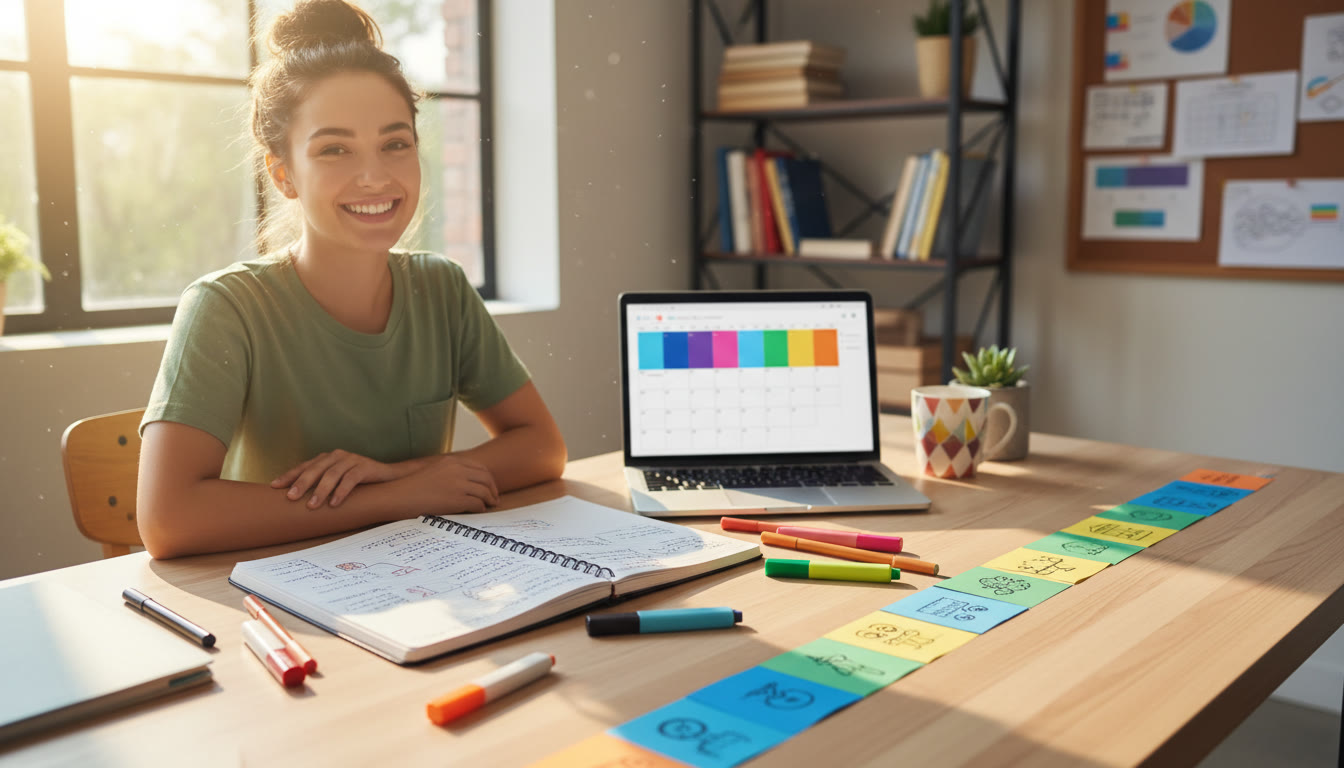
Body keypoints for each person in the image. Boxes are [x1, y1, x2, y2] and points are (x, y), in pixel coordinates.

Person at [136, 0, 566, 559]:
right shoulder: (227, 307)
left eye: (395, 144)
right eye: (334, 149)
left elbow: (542, 449)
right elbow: (169, 521)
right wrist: (398, 496)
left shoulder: (442, 289)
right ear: (284, 174)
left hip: (424, 583)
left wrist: (399, 473)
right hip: (277, 601)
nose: (374, 176)